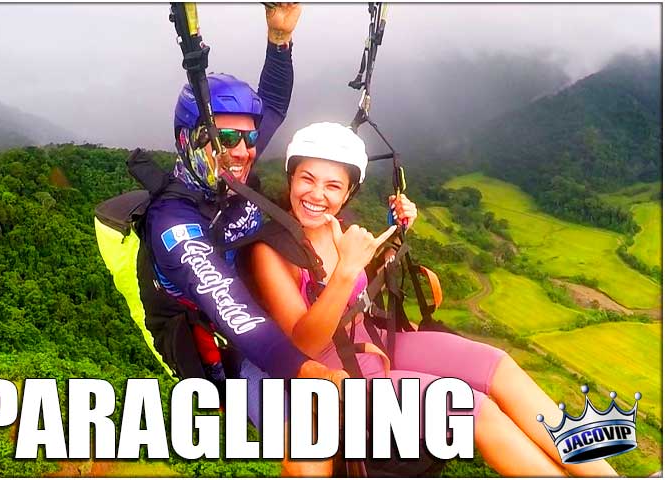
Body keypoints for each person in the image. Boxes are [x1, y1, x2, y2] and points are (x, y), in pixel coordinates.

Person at [245, 122, 619, 477]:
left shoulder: (339, 227)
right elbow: (302, 343)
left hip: (372, 342)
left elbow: (365, 277)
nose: (316, 195)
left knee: (496, 364)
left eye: (332, 186)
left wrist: (398, 231)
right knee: (471, 407)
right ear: (290, 178)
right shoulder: (273, 250)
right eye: (307, 179)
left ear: (347, 194)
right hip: (334, 375)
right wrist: (344, 273)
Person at [134, 6, 346, 474]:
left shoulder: (228, 170)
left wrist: (278, 39)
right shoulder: (174, 222)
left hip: (274, 311)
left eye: (249, 141)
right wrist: (318, 375)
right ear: (189, 140)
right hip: (226, 343)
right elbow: (232, 312)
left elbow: (271, 103)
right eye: (228, 138)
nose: (244, 151)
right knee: (311, 446)